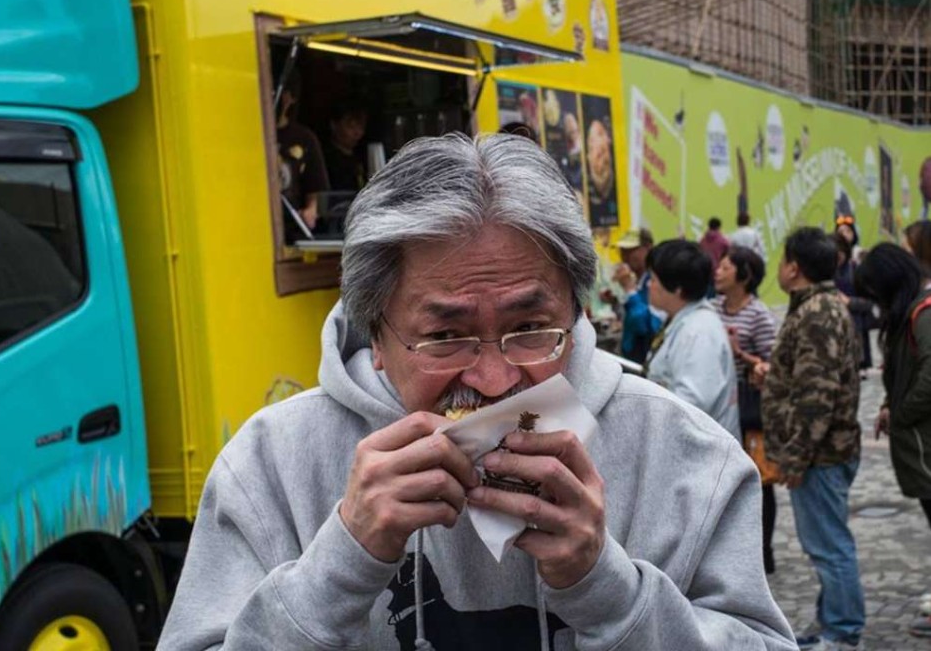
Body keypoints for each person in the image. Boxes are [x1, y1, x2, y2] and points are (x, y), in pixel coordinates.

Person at [158, 134, 795, 650]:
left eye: (530, 328)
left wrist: (609, 591)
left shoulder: (689, 458)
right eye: (445, 335)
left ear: (575, 316)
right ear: (375, 335)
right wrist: (340, 566)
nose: (494, 380)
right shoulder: (269, 465)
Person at [754, 227, 864, 650]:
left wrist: (796, 459)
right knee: (826, 545)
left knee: (830, 548)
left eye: (783, 261)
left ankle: (843, 631)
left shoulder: (817, 311)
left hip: (821, 456)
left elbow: (817, 397)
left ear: (793, 268)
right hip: (823, 451)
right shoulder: (816, 307)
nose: (779, 268)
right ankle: (831, 622)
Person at [854, 244, 931, 638]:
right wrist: (889, 403)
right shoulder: (911, 314)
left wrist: (901, 413)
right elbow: (907, 373)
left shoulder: (923, 313)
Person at [711, 247, 778, 573]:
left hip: (750, 409)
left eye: (725, 267)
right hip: (721, 405)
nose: (718, 271)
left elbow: (774, 364)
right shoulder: (712, 309)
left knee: (759, 480)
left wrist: (741, 354)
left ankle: (763, 552)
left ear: (744, 275)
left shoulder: (759, 315)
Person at [644, 240, 739, 441]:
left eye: (653, 279)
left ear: (677, 289)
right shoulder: (682, 320)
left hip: (705, 457)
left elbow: (692, 404)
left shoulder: (699, 332)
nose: (648, 286)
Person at [276, 70, 329, 242]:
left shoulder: (304, 138)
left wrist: (311, 211)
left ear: (292, 98)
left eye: (281, 93)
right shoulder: (248, 137)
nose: (273, 98)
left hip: (292, 235)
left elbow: (315, 191)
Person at [612, 227, 662, 365]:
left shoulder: (655, 282)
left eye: (631, 250)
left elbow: (644, 325)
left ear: (648, 248)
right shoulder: (638, 281)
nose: (625, 256)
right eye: (622, 251)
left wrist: (630, 290)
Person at [832, 233, 874, 373]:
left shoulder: (856, 271)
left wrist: (849, 302)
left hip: (857, 331)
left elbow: (870, 303)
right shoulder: (824, 274)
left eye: (840, 254)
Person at [323, 99, 369, 192]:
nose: (357, 133)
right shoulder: (326, 159)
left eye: (361, 127)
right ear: (334, 125)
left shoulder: (362, 156)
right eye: (351, 126)